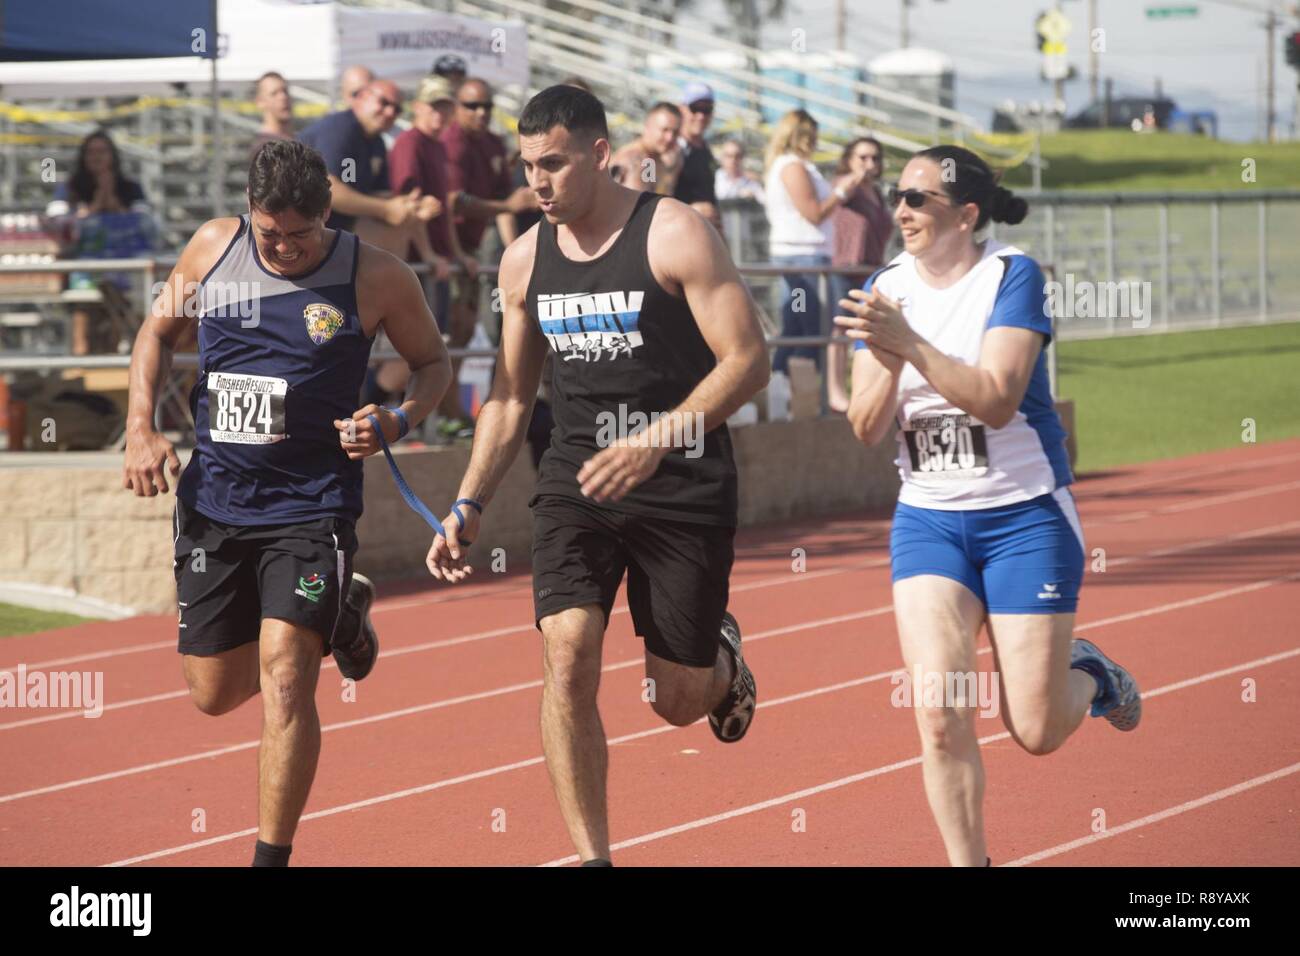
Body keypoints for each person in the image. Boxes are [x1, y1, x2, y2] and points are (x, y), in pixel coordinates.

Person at [425, 85, 770, 866]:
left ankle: (720, 665)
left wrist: (655, 441)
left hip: (681, 484)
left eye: (553, 163)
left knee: (676, 703)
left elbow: (749, 362)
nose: (537, 181)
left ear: (600, 154)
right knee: (568, 656)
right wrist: (469, 501)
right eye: (527, 166)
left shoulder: (672, 232)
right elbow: (510, 397)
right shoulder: (523, 261)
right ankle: (594, 858)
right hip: (575, 484)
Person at [122, 139, 451, 867]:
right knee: (211, 693)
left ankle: (271, 858)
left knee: (286, 674)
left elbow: (432, 364)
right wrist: (140, 426)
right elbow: (156, 333)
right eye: (269, 233)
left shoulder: (378, 276)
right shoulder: (214, 248)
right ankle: (345, 613)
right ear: (249, 212)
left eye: (299, 236)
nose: (283, 249)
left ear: (327, 215)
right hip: (216, 500)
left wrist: (394, 419)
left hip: (311, 503)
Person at [835, 144, 1141, 868]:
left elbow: (999, 401)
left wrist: (909, 342)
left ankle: (1090, 672)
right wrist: (884, 352)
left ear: (965, 214)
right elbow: (864, 427)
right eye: (897, 196)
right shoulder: (885, 286)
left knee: (1033, 728)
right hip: (930, 521)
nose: (901, 209)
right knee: (938, 712)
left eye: (919, 199)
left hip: (1023, 517)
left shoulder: (1011, 275)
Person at [437, 76, 535, 435]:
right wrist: (506, 204)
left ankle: (452, 414)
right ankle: (438, 412)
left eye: (486, 106)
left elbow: (501, 206)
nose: (480, 113)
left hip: (472, 253)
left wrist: (513, 254)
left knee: (462, 333)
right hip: (448, 251)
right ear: (457, 107)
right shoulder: (452, 143)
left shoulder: (493, 143)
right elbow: (455, 201)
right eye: (471, 105)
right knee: (447, 335)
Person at [299, 79, 443, 269]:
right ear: (361, 98)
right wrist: (386, 209)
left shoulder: (375, 142)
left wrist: (411, 205)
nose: (390, 112)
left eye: (397, 109)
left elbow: (372, 193)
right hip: (298, 240)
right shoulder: (340, 129)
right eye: (384, 103)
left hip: (325, 243)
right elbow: (330, 190)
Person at [763, 109, 862, 380]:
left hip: (800, 256)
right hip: (803, 257)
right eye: (813, 136)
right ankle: (798, 393)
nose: (816, 142)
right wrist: (843, 191)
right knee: (812, 331)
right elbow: (814, 213)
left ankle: (781, 390)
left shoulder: (789, 165)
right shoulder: (792, 166)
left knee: (796, 329)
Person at [45, 130, 155, 355]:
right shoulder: (71, 188)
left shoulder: (129, 188)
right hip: (83, 270)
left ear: (112, 155)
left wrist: (114, 204)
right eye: (91, 152)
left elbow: (147, 225)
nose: (97, 157)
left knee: (124, 314)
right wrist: (93, 209)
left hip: (125, 269)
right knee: (84, 317)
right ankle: (82, 361)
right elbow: (57, 224)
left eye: (102, 151)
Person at [827, 137, 892, 413]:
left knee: (871, 329)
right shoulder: (845, 185)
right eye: (863, 157)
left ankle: (865, 389)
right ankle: (835, 392)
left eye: (874, 158)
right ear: (849, 159)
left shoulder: (876, 191)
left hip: (872, 268)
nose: (870, 164)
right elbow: (830, 203)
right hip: (846, 265)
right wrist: (854, 177)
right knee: (840, 329)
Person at [672, 81, 721, 229]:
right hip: (676, 232)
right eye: (695, 108)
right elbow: (649, 194)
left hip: (704, 233)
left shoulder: (705, 149)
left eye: (707, 109)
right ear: (681, 110)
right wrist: (689, 210)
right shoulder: (666, 149)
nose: (701, 116)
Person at [609, 102, 683, 195]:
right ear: (647, 126)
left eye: (675, 132)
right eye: (665, 130)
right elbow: (644, 207)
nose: (670, 138)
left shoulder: (652, 158)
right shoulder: (639, 159)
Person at [250, 71, 295, 161]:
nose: (283, 97)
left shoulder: (301, 140)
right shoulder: (264, 150)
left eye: (285, 91)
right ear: (260, 102)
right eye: (274, 93)